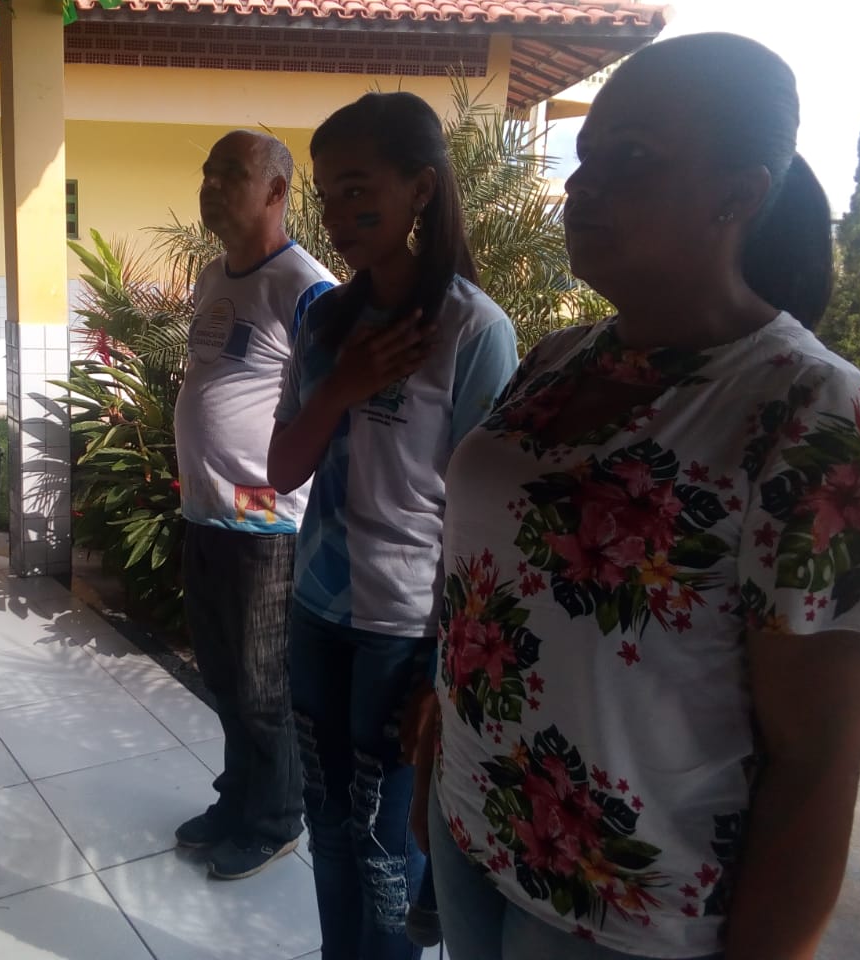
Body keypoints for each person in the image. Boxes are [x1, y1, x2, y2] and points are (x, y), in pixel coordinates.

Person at [419, 33, 860, 960]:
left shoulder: (809, 411)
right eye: (587, 156)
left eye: (630, 158)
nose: (580, 185)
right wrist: (441, 725)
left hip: (624, 914)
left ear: (737, 195)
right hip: (469, 823)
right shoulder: (559, 359)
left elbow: (816, 763)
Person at [268, 92, 518, 959]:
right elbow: (281, 470)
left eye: (357, 191)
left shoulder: (473, 331)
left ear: (420, 189)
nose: (338, 217)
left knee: (385, 843)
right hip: (317, 612)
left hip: (406, 632)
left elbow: (487, 525)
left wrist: (449, 668)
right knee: (328, 821)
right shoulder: (322, 321)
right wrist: (341, 387)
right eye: (327, 196)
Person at [175, 130, 336, 881]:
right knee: (222, 676)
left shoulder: (307, 289)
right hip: (204, 513)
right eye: (206, 172)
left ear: (276, 191)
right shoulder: (214, 275)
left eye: (229, 174)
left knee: (262, 685)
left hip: (268, 526)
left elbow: (330, 412)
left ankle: (275, 820)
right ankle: (238, 797)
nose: (210, 185)